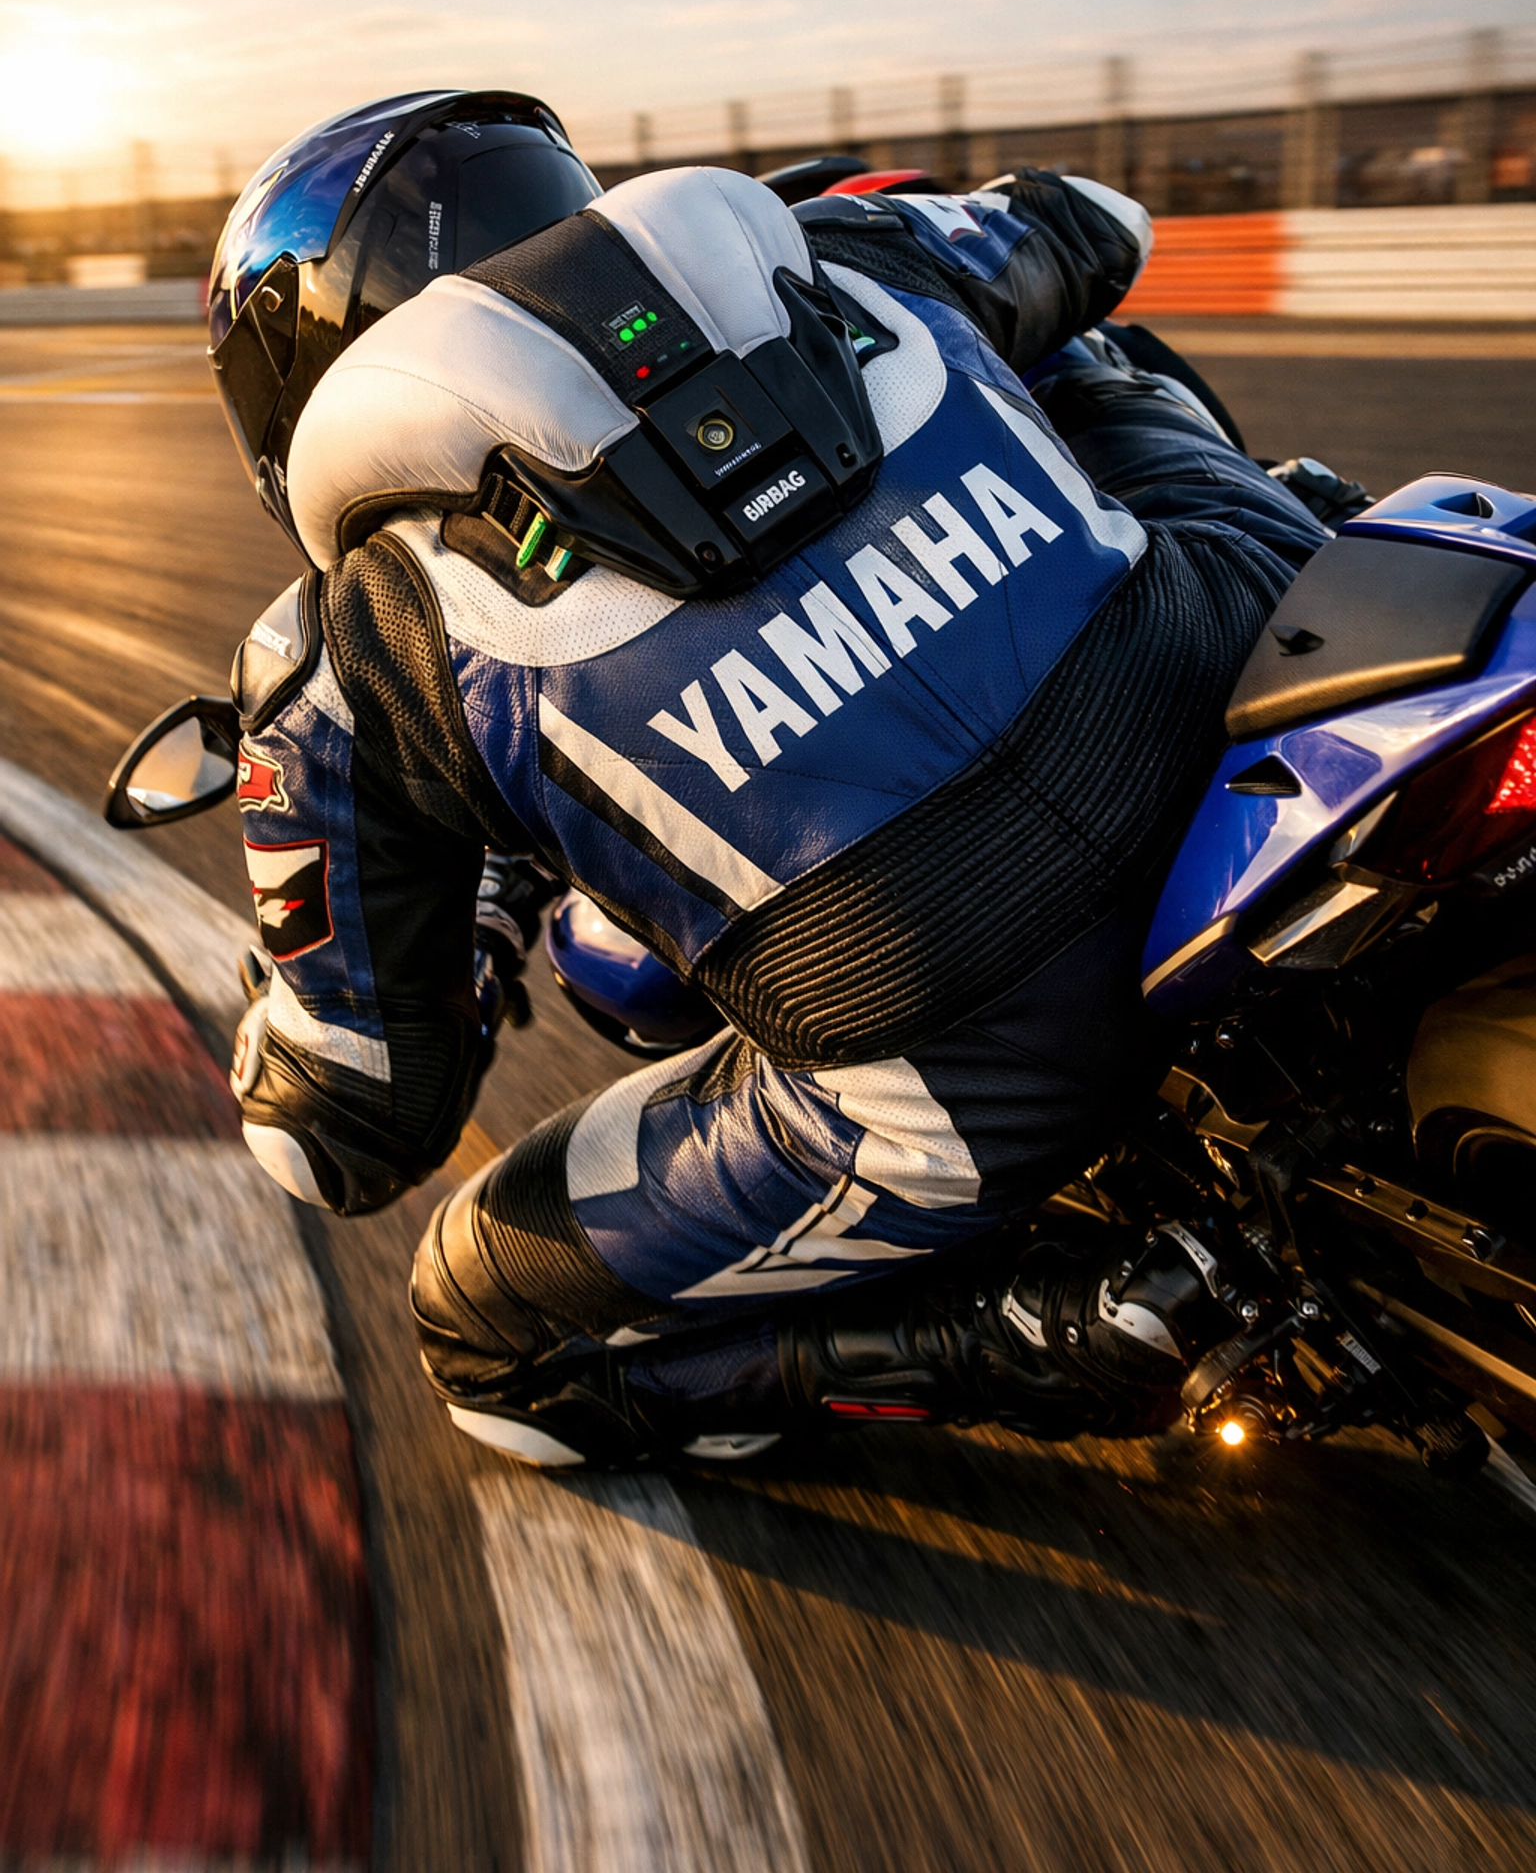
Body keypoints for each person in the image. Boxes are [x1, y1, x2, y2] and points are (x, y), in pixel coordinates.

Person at [215, 93, 1331, 1468]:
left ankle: (1042, 1323)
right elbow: (1098, 226)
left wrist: (285, 1015)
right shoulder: (837, 253)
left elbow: (345, 1137)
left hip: (982, 1053)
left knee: (480, 1327)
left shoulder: (336, 652)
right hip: (1242, 704)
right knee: (1093, 364)